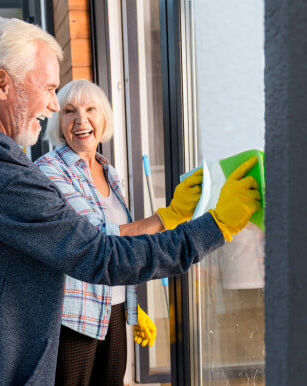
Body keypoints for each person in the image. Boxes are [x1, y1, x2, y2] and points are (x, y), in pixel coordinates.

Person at [0, 16, 261, 385]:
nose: (55, 106)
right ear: (2, 84)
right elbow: (104, 257)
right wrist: (216, 226)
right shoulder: (0, 178)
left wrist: (167, 219)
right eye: (48, 88)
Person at [35, 79, 198, 385]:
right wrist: (167, 217)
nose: (81, 120)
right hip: (74, 318)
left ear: (104, 117)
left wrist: (133, 308)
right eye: (70, 111)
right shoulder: (50, 170)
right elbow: (95, 237)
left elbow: (125, 247)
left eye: (90, 109)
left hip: (113, 311)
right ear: (59, 121)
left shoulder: (108, 171)